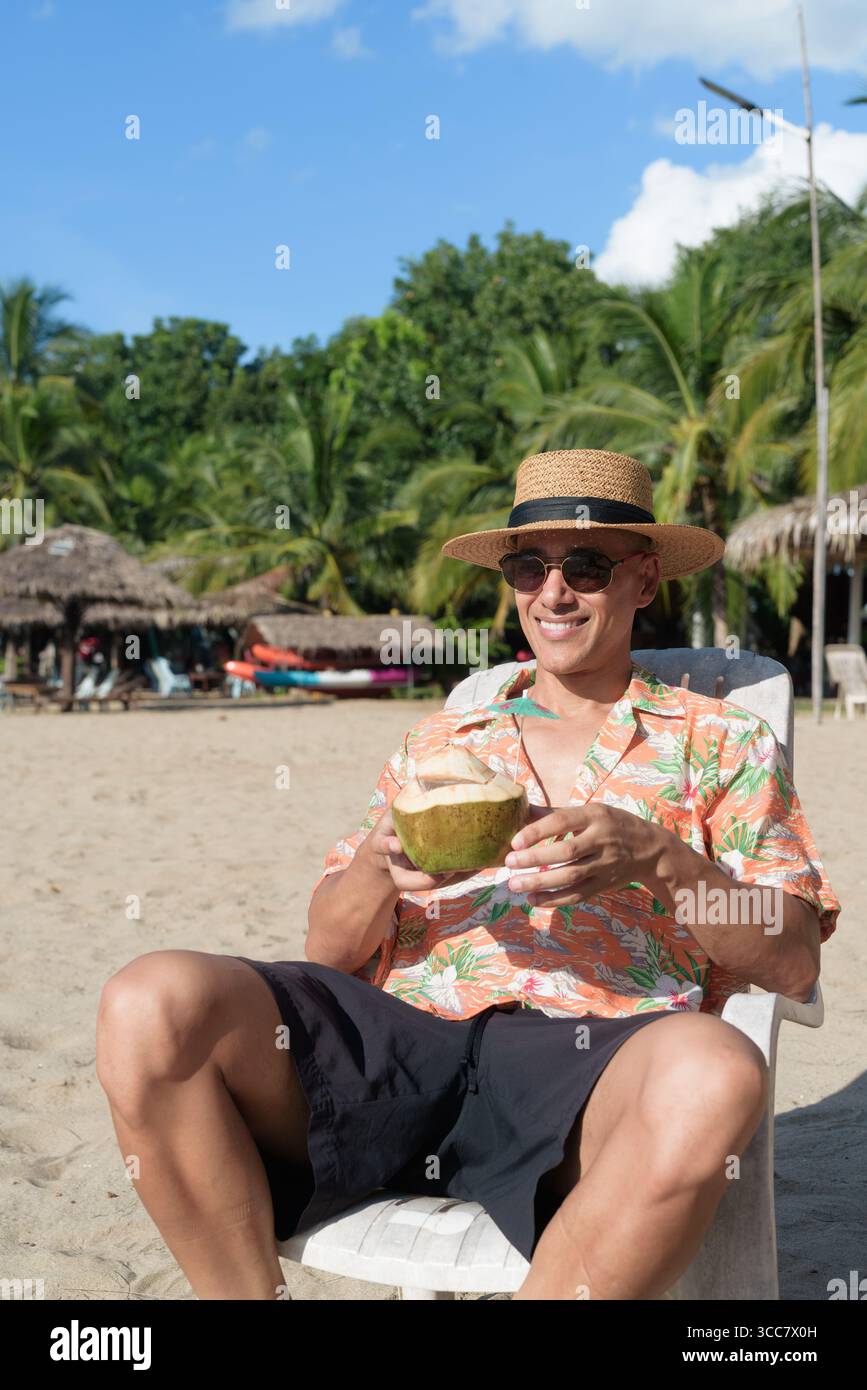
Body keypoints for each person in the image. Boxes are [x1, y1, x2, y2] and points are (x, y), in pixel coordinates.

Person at [96, 449, 840, 1301]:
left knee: (717, 1073)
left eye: (585, 567)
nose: (552, 593)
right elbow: (328, 949)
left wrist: (659, 860)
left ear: (642, 582)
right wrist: (382, 868)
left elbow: (791, 963)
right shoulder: (444, 738)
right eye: (530, 566)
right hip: (404, 1043)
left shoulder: (721, 741)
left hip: (590, 1065)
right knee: (148, 1002)